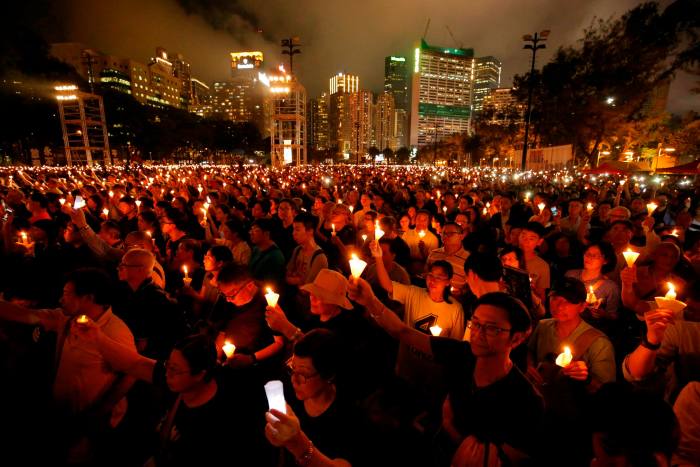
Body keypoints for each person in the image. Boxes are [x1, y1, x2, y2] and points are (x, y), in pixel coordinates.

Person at [347, 282, 543, 465]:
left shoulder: (525, 400)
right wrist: (370, 301)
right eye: (475, 323)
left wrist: (451, 428)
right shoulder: (461, 354)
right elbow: (403, 332)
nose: (478, 333)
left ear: (516, 338)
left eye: (491, 328)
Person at [73, 329, 273, 466]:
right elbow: (135, 364)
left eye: (175, 370)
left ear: (200, 374)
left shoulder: (219, 422)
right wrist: (97, 337)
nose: (166, 374)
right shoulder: (176, 378)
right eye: (168, 365)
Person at [0, 268, 136, 462]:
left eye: (66, 294)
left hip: (91, 422)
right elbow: (26, 315)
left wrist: (98, 414)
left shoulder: (115, 331)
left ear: (88, 298)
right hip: (64, 413)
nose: (60, 299)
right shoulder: (65, 318)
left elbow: (130, 374)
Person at [265, 329, 366, 466]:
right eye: (292, 369)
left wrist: (297, 443)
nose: (294, 380)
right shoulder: (289, 392)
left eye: (303, 374)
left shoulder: (350, 414)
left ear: (329, 375)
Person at [565, 241, 621, 328]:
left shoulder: (610, 287)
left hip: (590, 329)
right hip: (566, 322)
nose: (589, 258)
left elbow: (613, 316)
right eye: (587, 254)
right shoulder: (570, 275)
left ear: (605, 260)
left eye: (595, 256)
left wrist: (603, 314)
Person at [426, 222, 470, 296]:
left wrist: (462, 292)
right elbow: (426, 274)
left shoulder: (468, 259)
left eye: (450, 233)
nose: (445, 236)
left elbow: (471, 287)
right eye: (443, 233)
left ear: (461, 236)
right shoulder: (434, 254)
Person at [518, 221, 550, 300]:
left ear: (539, 242)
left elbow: (541, 297)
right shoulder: (506, 257)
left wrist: (534, 291)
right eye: (523, 235)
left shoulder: (542, 266)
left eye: (531, 238)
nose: (526, 240)